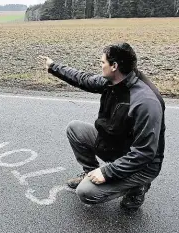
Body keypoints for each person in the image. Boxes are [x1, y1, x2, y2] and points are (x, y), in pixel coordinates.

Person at [39, 43, 165, 210]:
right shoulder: (114, 81)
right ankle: (90, 172)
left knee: (86, 192)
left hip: (142, 165)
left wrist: (107, 172)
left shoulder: (145, 102)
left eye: (102, 62)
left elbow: (144, 153)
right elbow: (83, 79)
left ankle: (137, 187)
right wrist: (53, 67)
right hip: (119, 145)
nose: (100, 65)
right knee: (75, 128)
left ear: (114, 66)